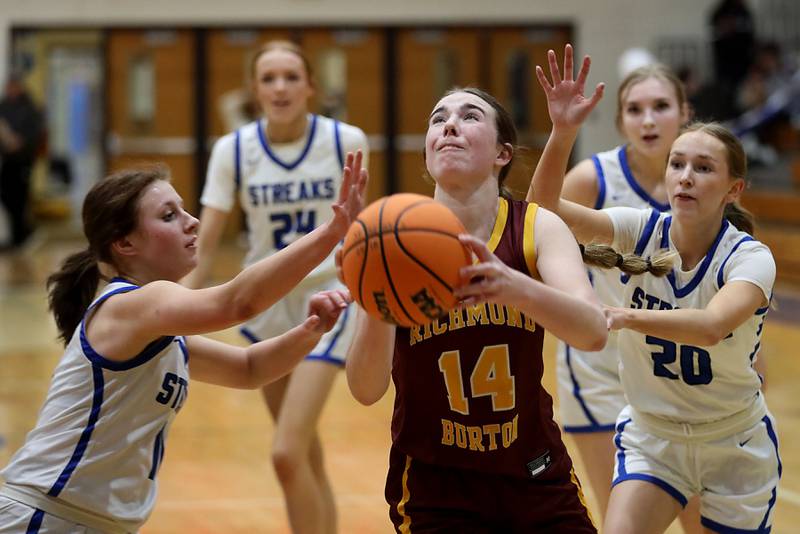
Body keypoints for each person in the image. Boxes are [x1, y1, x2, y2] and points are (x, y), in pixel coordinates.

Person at [0, 156, 367, 533]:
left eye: (183, 209)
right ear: (125, 243)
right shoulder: (128, 306)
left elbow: (250, 368)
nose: (191, 221)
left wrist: (312, 329)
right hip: (43, 517)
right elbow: (237, 303)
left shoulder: (160, 333)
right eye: (168, 215)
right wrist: (331, 232)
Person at [343, 44, 608, 532]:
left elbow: (593, 331)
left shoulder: (535, 227)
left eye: (469, 117)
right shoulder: (390, 239)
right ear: (426, 147)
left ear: (502, 153)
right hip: (435, 487)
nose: (448, 125)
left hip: (534, 473)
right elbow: (365, 389)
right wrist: (378, 293)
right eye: (438, 118)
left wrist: (514, 287)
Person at [530, 48, 781, 534]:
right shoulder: (640, 227)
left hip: (731, 441)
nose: (685, 177)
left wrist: (623, 316)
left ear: (734, 189)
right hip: (652, 434)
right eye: (677, 165)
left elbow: (710, 327)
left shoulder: (751, 257)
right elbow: (544, 208)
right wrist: (562, 133)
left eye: (703, 168)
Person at [182, 39, 369, 534]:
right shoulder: (233, 149)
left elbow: (362, 226)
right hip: (265, 305)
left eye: (291, 76)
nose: (280, 87)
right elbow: (206, 240)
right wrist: (173, 307)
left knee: (285, 453)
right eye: (269, 78)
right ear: (254, 89)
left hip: (331, 299)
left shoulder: (344, 139)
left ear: (311, 86)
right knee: (303, 454)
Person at [534, 62, 690, 525]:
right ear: (620, 120)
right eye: (634, 109)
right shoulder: (595, 178)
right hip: (602, 373)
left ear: (685, 112)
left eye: (660, 107)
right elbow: (537, 218)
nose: (647, 120)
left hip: (677, 374)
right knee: (624, 520)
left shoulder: (702, 181)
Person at [0, 72, 44, 250]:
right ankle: (21, 232)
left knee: (20, 197)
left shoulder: (30, 108)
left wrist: (21, 143)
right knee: (6, 195)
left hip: (23, 160)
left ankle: (22, 235)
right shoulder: (3, 106)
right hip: (7, 160)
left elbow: (35, 135)